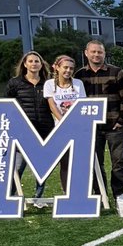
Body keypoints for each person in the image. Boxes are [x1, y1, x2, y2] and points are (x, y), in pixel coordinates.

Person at [75, 40, 123, 199]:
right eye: (93, 51)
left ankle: (119, 196)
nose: (96, 55)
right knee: (94, 164)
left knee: (118, 164)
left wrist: (121, 120)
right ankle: (99, 196)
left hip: (115, 126)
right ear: (86, 53)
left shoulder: (116, 72)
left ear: (104, 54)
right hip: (92, 127)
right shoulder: (79, 75)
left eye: (99, 52)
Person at [6, 50, 53, 199]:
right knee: (18, 166)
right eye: (31, 61)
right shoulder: (15, 83)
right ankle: (10, 195)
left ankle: (38, 196)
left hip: (45, 129)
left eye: (37, 61)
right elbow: (6, 105)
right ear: (25, 64)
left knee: (42, 166)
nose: (34, 63)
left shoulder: (48, 83)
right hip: (23, 131)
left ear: (41, 64)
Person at [43, 54, 86, 193]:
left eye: (71, 68)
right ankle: (67, 191)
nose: (68, 70)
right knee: (65, 162)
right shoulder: (49, 84)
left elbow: (82, 105)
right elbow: (52, 106)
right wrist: (63, 122)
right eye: (65, 67)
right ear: (57, 67)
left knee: (81, 161)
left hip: (78, 128)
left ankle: (83, 190)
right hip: (60, 128)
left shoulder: (78, 83)